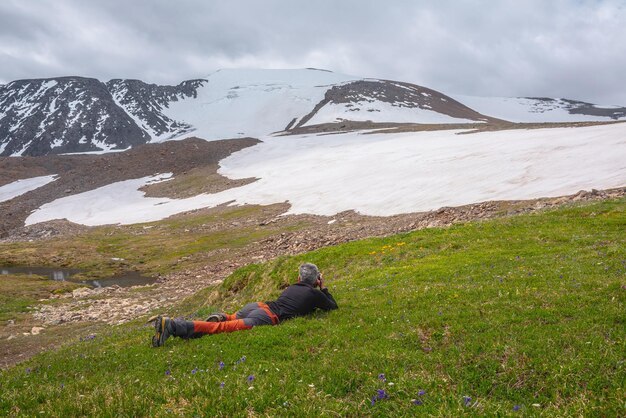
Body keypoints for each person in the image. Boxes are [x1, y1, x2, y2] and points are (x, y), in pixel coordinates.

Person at [152, 262, 338, 347]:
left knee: (231, 319)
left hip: (257, 306)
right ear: (315, 280)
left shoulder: (291, 287)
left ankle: (225, 315)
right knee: (220, 328)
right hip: (265, 317)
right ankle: (173, 326)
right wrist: (323, 287)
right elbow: (332, 307)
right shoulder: (314, 293)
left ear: (298, 278)